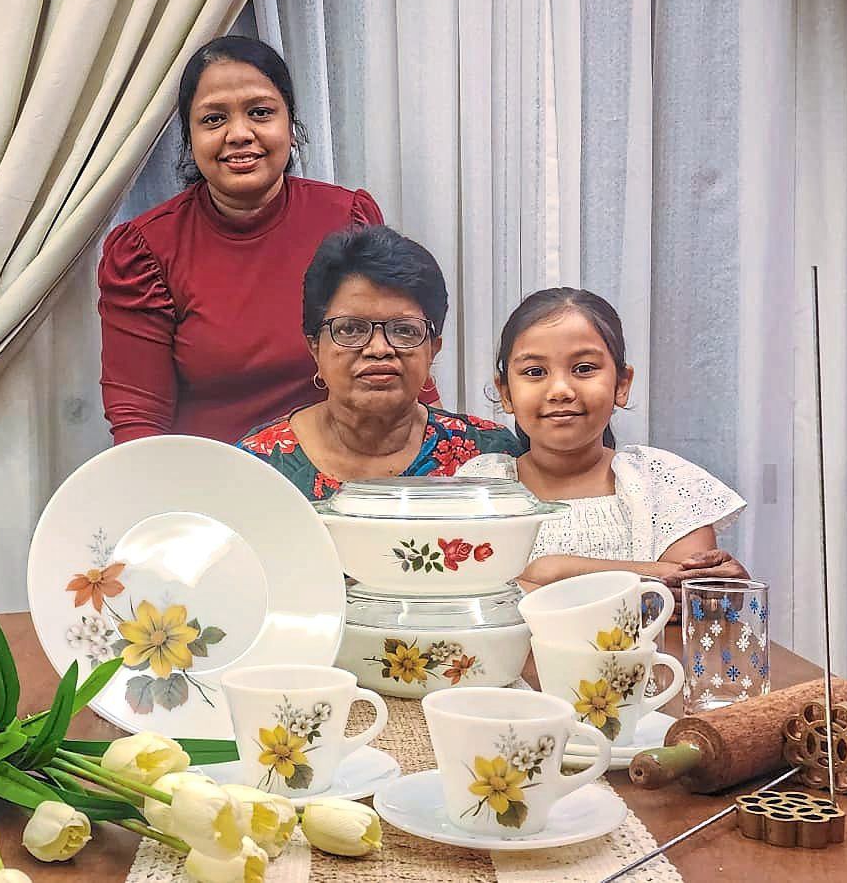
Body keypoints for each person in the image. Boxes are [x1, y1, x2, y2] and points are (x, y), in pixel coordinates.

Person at [98, 36, 439, 445]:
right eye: (213, 119)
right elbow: (139, 420)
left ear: (291, 128)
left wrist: (437, 453)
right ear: (189, 139)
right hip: (214, 485)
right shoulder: (145, 252)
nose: (239, 133)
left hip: (350, 469)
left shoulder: (348, 219)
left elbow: (400, 352)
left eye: (260, 113)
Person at [457, 288, 748, 605]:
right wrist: (639, 580)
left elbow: (696, 598)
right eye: (535, 372)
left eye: (584, 369)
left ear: (622, 384)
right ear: (506, 393)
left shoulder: (664, 483)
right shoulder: (482, 486)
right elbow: (465, 596)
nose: (560, 390)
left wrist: (551, 572)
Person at [239, 225, 519, 500]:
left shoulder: (490, 455)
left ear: (433, 349)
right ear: (315, 348)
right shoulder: (259, 465)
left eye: (404, 330)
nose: (378, 349)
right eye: (350, 329)